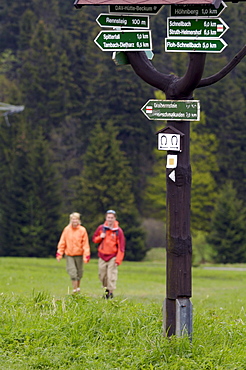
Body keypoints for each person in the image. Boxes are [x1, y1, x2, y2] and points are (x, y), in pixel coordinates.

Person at [92, 210, 125, 299]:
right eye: (108, 217)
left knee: (111, 276)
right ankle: (106, 290)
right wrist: (100, 237)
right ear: (106, 218)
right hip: (102, 255)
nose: (110, 219)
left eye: (111, 218)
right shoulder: (101, 228)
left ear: (115, 218)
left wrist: (118, 260)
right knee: (102, 275)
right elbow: (94, 240)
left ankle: (110, 293)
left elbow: (121, 247)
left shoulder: (118, 231)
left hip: (112, 256)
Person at [56, 212, 90, 294]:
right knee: (72, 272)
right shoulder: (66, 230)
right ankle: (74, 290)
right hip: (69, 254)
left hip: (79, 254)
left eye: (76, 219)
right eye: (73, 219)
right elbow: (62, 242)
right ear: (70, 220)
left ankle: (78, 288)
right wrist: (59, 253)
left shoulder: (82, 230)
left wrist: (86, 255)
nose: (74, 221)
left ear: (79, 220)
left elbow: (85, 243)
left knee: (79, 273)